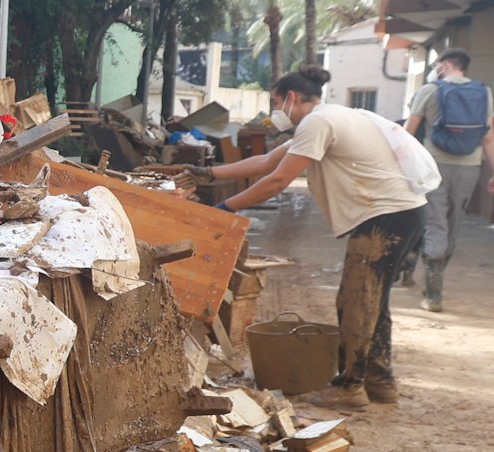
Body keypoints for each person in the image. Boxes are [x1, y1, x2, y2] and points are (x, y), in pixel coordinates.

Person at [198, 67, 430, 410]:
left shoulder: (317, 124)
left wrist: (223, 207)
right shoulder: (331, 117)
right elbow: (265, 161)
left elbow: (278, 181)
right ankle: (381, 383)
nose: (275, 110)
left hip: (387, 217)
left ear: (292, 98)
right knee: (372, 301)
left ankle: (350, 386)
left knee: (356, 301)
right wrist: (205, 172)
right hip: (405, 212)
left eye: (276, 101)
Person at [403, 49, 494, 312]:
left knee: (434, 223)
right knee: (453, 226)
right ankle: (433, 285)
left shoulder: (429, 90)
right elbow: (488, 136)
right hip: (469, 167)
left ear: (444, 65)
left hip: (433, 166)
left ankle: (433, 295)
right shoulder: (484, 92)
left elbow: (408, 133)